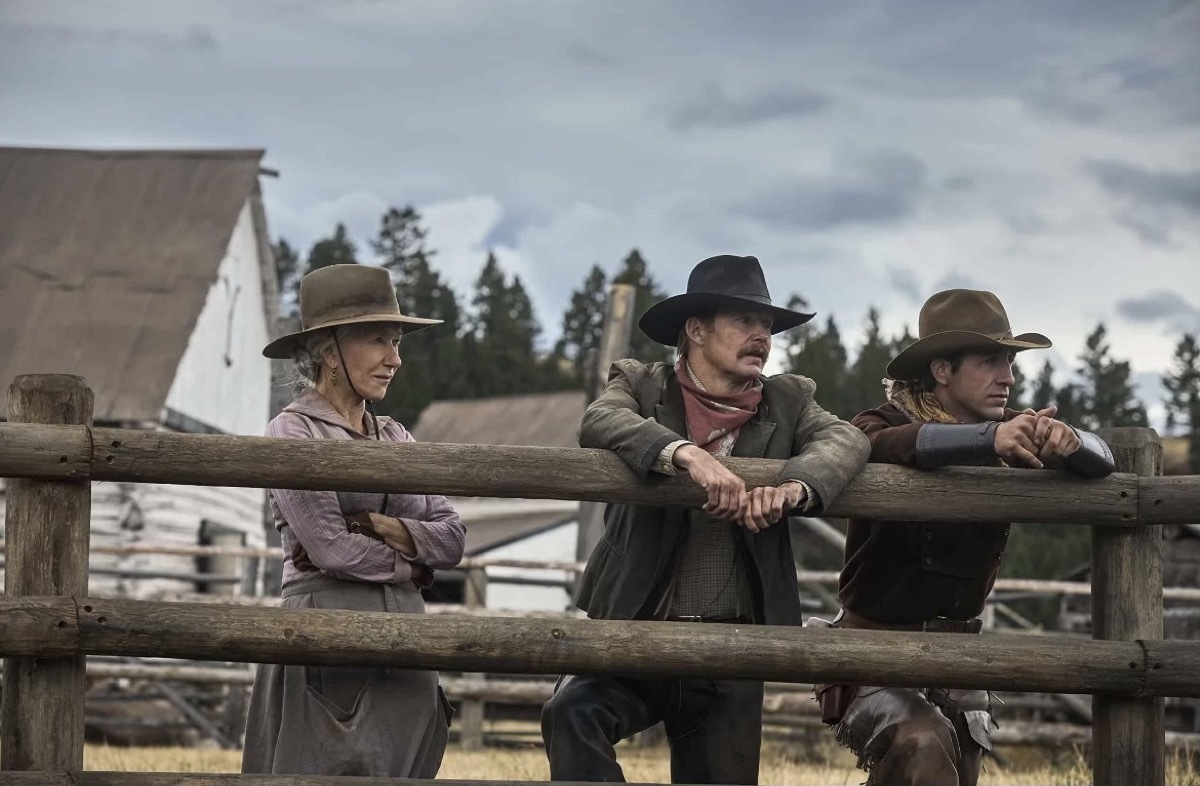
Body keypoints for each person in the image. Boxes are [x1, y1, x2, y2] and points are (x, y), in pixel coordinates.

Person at [541, 254, 871, 784]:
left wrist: (792, 488)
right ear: (696, 330)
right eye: (744, 321)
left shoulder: (788, 399)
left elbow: (845, 439)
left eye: (766, 324)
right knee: (571, 713)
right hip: (635, 630)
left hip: (731, 646)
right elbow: (600, 419)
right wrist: (684, 454)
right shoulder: (642, 384)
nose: (761, 336)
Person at [820, 288, 1115, 786]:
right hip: (874, 650)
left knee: (956, 767)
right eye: (990, 361)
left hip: (960, 655)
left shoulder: (1015, 431)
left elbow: (1105, 459)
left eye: (1010, 362)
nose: (1008, 377)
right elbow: (880, 443)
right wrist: (988, 439)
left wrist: (1071, 442)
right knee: (923, 742)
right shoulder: (878, 423)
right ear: (942, 370)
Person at [242, 264, 466, 777]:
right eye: (378, 341)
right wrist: (416, 563)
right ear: (330, 351)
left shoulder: (397, 437)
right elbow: (331, 550)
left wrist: (389, 528)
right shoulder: (293, 432)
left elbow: (453, 538)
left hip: (407, 631)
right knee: (319, 767)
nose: (395, 359)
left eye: (396, 342)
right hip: (327, 625)